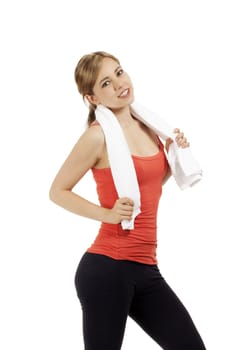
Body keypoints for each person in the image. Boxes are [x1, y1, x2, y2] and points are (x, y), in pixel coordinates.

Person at [49, 51, 206, 350]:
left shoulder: (151, 126)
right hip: (107, 268)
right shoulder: (97, 137)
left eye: (119, 72)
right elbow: (57, 191)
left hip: (146, 268)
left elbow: (146, 191)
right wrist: (106, 214)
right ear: (92, 98)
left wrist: (175, 159)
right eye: (106, 83)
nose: (120, 84)